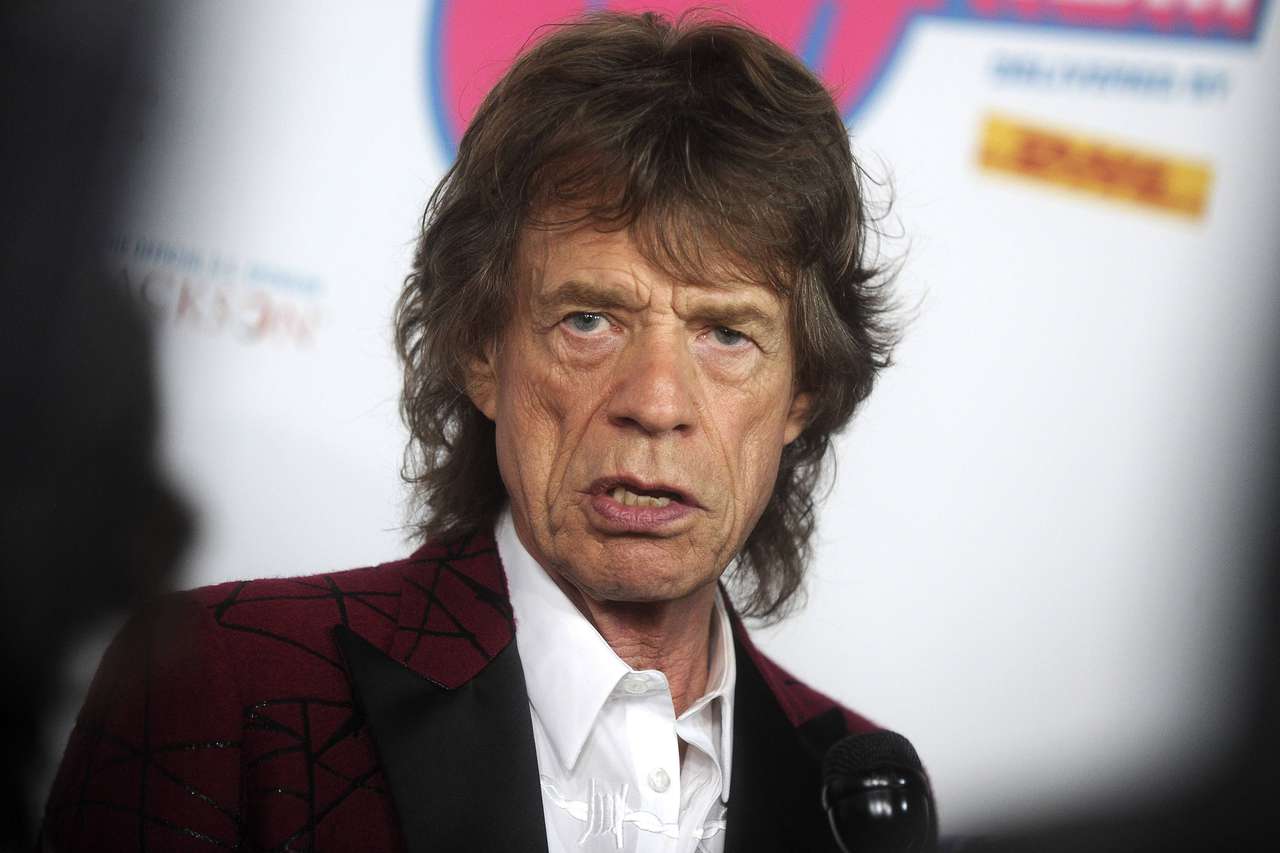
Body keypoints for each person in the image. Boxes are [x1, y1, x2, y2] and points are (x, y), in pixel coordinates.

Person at [42, 10, 902, 852]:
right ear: (482, 351)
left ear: (803, 391)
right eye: (590, 319)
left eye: (727, 333)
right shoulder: (220, 687)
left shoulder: (862, 797)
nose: (655, 401)